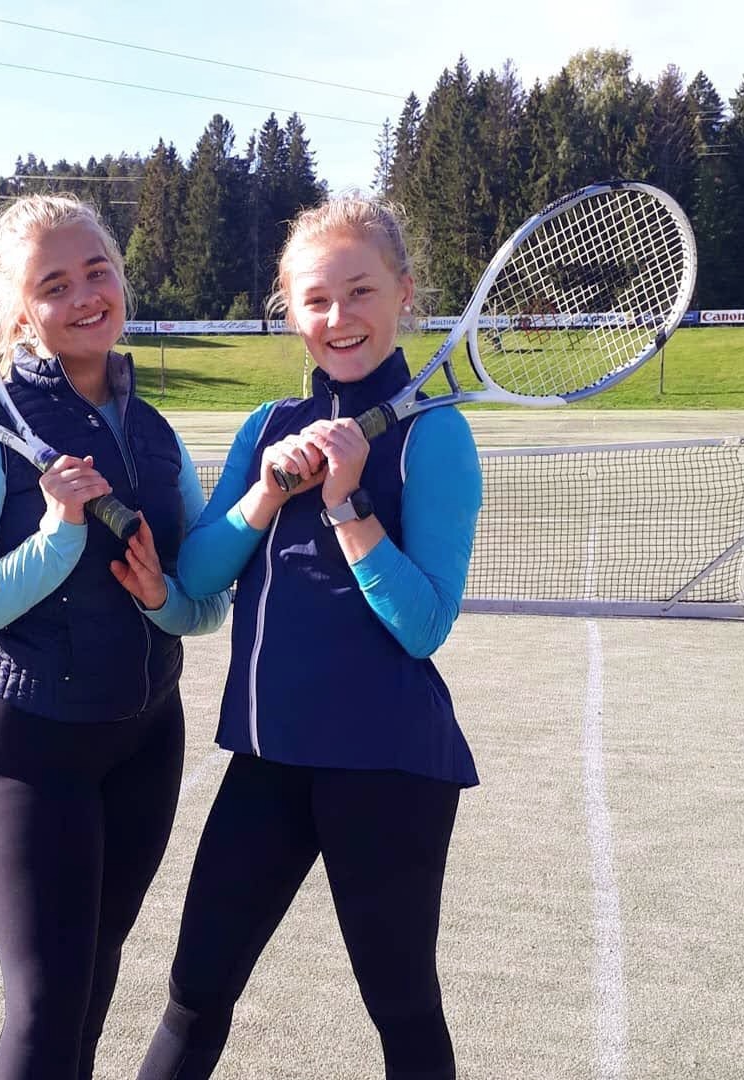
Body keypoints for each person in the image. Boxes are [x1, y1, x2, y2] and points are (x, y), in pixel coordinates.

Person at [137, 194, 482, 1080]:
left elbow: (424, 626)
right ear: (290, 312)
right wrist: (265, 493)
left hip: (390, 769)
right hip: (268, 760)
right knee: (194, 992)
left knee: (402, 1007)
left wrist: (346, 504)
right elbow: (199, 578)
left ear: (404, 293)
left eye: (360, 291)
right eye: (317, 299)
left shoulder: (435, 437)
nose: (339, 317)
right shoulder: (265, 428)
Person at [0, 193, 230, 1080]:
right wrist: (57, 538)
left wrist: (163, 597)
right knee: (47, 1009)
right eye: (55, 284)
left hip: (147, 740)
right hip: (34, 750)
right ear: (19, 311)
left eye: (98, 271)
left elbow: (203, 604)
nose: (87, 294)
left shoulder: (158, 436)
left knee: (93, 983)